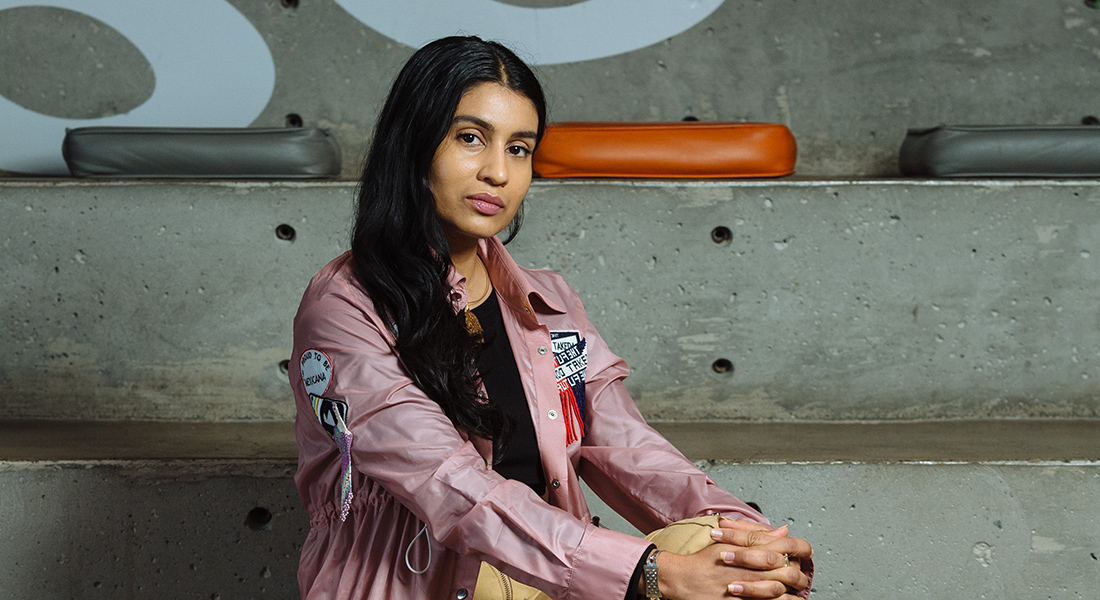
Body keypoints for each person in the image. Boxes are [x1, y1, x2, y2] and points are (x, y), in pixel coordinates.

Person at [290, 35, 813, 600]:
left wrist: (750, 537)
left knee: (745, 571)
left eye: (519, 148)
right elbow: (450, 486)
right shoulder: (344, 307)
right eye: (471, 139)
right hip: (426, 584)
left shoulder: (548, 301)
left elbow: (627, 448)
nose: (498, 172)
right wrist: (646, 573)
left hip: (542, 576)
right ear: (413, 145)